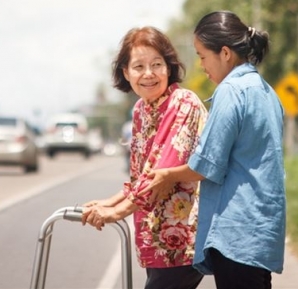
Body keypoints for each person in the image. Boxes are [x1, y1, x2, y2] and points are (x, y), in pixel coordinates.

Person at [140, 11, 286, 289]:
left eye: (202, 56)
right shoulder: (266, 90)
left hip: (236, 232)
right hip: (262, 230)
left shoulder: (231, 91)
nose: (202, 66)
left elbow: (206, 165)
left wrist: (166, 174)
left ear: (226, 53)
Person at [81, 26, 208, 289]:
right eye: (139, 66)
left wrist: (116, 212)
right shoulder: (141, 109)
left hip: (183, 237)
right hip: (153, 233)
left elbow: (160, 174)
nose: (148, 74)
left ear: (169, 68)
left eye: (156, 64)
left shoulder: (183, 103)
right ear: (126, 73)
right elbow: (141, 175)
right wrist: (109, 202)